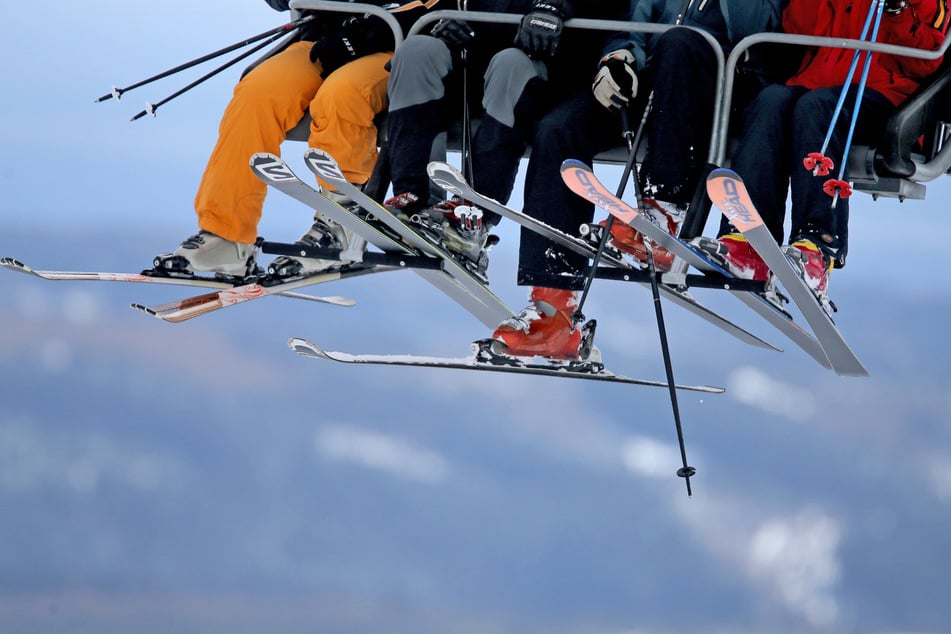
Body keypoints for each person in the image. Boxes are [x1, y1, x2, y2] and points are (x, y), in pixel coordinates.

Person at [490, 0, 784, 359]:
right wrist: (620, 59)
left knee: (681, 42)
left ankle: (665, 210)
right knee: (557, 131)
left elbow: (758, 23)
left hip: (721, 85)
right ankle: (554, 306)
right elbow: (634, 23)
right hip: (652, 86)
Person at [154, 0, 445, 279]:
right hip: (324, 39)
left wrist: (367, 30)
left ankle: (340, 224)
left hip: (396, 46)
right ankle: (226, 235)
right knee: (257, 95)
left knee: (341, 97)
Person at [695, 0, 949, 308]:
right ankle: (747, 241)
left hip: (882, 93)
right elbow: (798, 25)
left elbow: (925, 61)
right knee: (770, 101)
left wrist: (896, 11)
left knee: (816, 109)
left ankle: (819, 246)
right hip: (818, 82)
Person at [382, 0, 630, 278]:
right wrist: (445, 21)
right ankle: (416, 201)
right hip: (472, 58)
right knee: (416, 51)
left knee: (509, 64)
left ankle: (472, 216)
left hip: (540, 60)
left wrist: (557, 8)